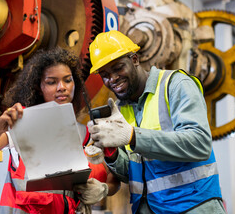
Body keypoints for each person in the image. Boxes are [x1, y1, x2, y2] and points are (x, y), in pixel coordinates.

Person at [85, 30, 226, 214]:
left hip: (193, 206)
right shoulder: (120, 109)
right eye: (104, 74)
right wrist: (111, 153)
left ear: (134, 59)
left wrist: (133, 136)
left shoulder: (175, 85)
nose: (112, 79)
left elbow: (199, 143)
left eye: (118, 67)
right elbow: (135, 174)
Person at [0, 47, 119, 214]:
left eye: (67, 80)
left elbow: (114, 179)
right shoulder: (24, 125)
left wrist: (103, 189)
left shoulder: (87, 135)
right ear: (39, 87)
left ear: (75, 83)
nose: (62, 87)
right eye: (52, 82)